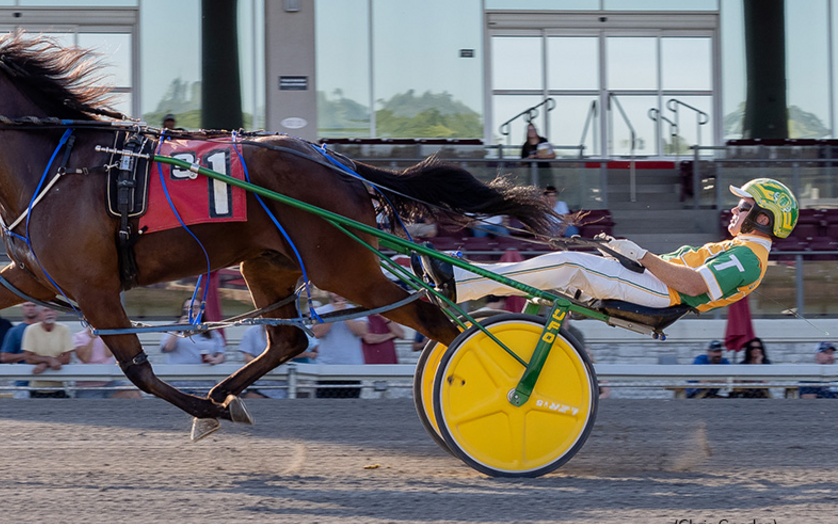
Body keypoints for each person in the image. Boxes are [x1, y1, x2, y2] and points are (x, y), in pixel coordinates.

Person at [427, 179, 799, 317]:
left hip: (664, 295)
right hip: (654, 285)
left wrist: (640, 256)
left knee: (571, 264)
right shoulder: (742, 249)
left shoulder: (750, 257)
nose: (735, 209)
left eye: (745, 206)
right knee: (567, 266)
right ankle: (482, 294)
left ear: (763, 219)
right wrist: (627, 256)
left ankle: (463, 283)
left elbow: (693, 286)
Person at [160, 300, 226, 395]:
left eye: (196, 307)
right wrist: (178, 329)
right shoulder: (172, 329)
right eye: (189, 308)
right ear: (183, 311)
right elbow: (167, 348)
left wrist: (215, 360)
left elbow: (221, 354)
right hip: (179, 384)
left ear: (202, 311)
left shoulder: (212, 332)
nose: (192, 311)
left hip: (205, 385)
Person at [310, 292, 369, 398]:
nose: (339, 293)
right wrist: (335, 314)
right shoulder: (320, 311)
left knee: (351, 406)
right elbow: (317, 333)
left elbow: (361, 331)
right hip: (326, 369)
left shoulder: (358, 311)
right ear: (328, 292)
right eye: (334, 290)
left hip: (352, 368)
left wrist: (345, 314)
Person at [237, 325, 318, 398]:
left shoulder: (287, 331)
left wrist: (268, 363)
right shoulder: (252, 331)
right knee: (253, 399)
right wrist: (265, 364)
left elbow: (288, 356)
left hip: (282, 385)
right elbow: (247, 357)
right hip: (258, 383)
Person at [20, 307, 75, 398]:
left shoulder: (64, 329)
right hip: (36, 388)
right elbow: (28, 357)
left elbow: (67, 358)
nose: (50, 313)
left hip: (59, 388)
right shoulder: (31, 330)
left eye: (53, 310)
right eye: (46, 311)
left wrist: (44, 364)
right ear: (39, 314)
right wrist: (49, 360)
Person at [73, 329, 142, 398]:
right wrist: (92, 338)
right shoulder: (79, 336)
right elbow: (85, 358)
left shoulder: (110, 335)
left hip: (109, 382)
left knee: (133, 392)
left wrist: (105, 335)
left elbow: (109, 353)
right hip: (87, 386)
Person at [0, 302, 41, 399]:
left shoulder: (47, 329)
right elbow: (4, 356)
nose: (30, 308)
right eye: (27, 305)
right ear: (22, 308)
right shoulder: (15, 331)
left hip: (46, 383)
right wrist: (28, 356)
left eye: (34, 305)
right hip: (23, 384)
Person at [521, 122, 555, 188]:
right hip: (532, 173)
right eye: (529, 130)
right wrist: (529, 159)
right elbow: (522, 161)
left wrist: (538, 156)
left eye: (533, 130)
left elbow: (552, 155)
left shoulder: (543, 141)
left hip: (545, 171)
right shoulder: (526, 145)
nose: (531, 132)